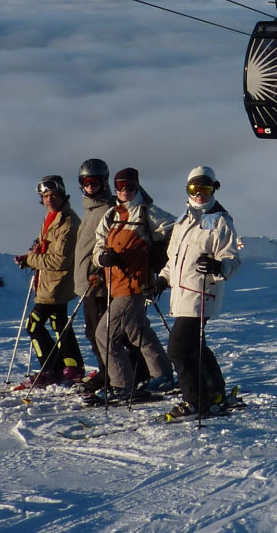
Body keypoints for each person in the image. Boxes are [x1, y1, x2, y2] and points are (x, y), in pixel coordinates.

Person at [87, 167, 177, 404]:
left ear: (137, 187)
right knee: (137, 330)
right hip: (116, 284)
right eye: (120, 186)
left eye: (130, 186)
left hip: (136, 285)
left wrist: (159, 254)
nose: (125, 190)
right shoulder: (111, 215)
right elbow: (98, 246)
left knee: (104, 334)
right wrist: (102, 258)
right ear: (115, 188)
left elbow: (176, 231)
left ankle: (122, 385)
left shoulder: (147, 212)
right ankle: (163, 375)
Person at [159, 165, 242, 417]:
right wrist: (161, 280)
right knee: (195, 346)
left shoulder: (220, 220)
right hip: (181, 294)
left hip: (202, 293)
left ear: (214, 189)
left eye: (205, 189)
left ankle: (194, 399)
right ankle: (215, 391)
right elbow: (173, 260)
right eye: (194, 188)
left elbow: (232, 259)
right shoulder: (183, 220)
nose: (199, 194)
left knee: (178, 348)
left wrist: (218, 266)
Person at [13, 175, 85, 388]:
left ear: (62, 195)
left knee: (34, 324)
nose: (49, 199)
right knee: (59, 323)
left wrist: (30, 259)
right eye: (45, 196)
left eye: (53, 195)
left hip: (56, 284)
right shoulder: (53, 218)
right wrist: (33, 255)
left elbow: (61, 260)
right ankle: (71, 366)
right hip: (49, 282)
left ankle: (51, 369)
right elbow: (48, 250)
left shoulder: (67, 221)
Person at [73, 158, 115, 394]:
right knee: (92, 331)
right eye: (86, 182)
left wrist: (100, 271)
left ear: (104, 182)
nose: (90, 186)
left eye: (95, 182)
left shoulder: (108, 209)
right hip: (86, 281)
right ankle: (105, 370)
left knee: (101, 332)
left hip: (99, 283)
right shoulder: (90, 209)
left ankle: (110, 373)